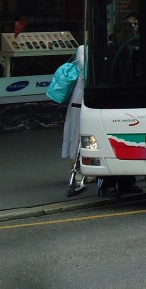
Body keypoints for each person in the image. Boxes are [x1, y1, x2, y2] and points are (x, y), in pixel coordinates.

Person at [61, 44, 88, 195]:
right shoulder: (82, 49)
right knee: (76, 130)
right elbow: (87, 70)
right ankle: (75, 168)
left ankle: (88, 168)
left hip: (93, 93)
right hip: (82, 93)